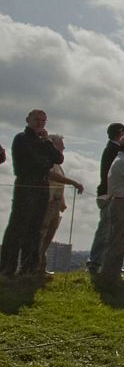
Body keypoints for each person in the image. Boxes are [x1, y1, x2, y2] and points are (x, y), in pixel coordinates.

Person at [1, 109, 64, 280]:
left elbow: (58, 159)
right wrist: (46, 160)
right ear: (28, 120)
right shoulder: (21, 138)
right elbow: (33, 161)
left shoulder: (43, 141)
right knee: (18, 226)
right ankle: (7, 267)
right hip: (26, 185)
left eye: (43, 120)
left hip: (41, 186)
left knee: (35, 229)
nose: (40, 123)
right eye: (37, 119)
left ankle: (28, 268)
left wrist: (47, 143)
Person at [94, 135, 124, 287]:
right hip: (123, 202)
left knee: (117, 239)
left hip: (121, 201)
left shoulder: (122, 161)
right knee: (118, 241)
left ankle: (110, 274)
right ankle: (110, 275)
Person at [36, 134, 86, 272]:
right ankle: (35, 265)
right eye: (60, 144)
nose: (63, 147)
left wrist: (62, 202)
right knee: (42, 234)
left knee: (49, 235)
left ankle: (40, 266)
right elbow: (53, 177)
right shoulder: (48, 161)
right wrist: (73, 182)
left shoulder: (57, 163)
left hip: (55, 204)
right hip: (48, 202)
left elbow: (58, 184)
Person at [87, 122, 124, 275]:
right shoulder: (115, 150)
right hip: (110, 193)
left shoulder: (111, 149)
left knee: (108, 229)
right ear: (120, 133)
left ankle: (100, 261)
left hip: (107, 192)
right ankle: (96, 261)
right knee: (106, 229)